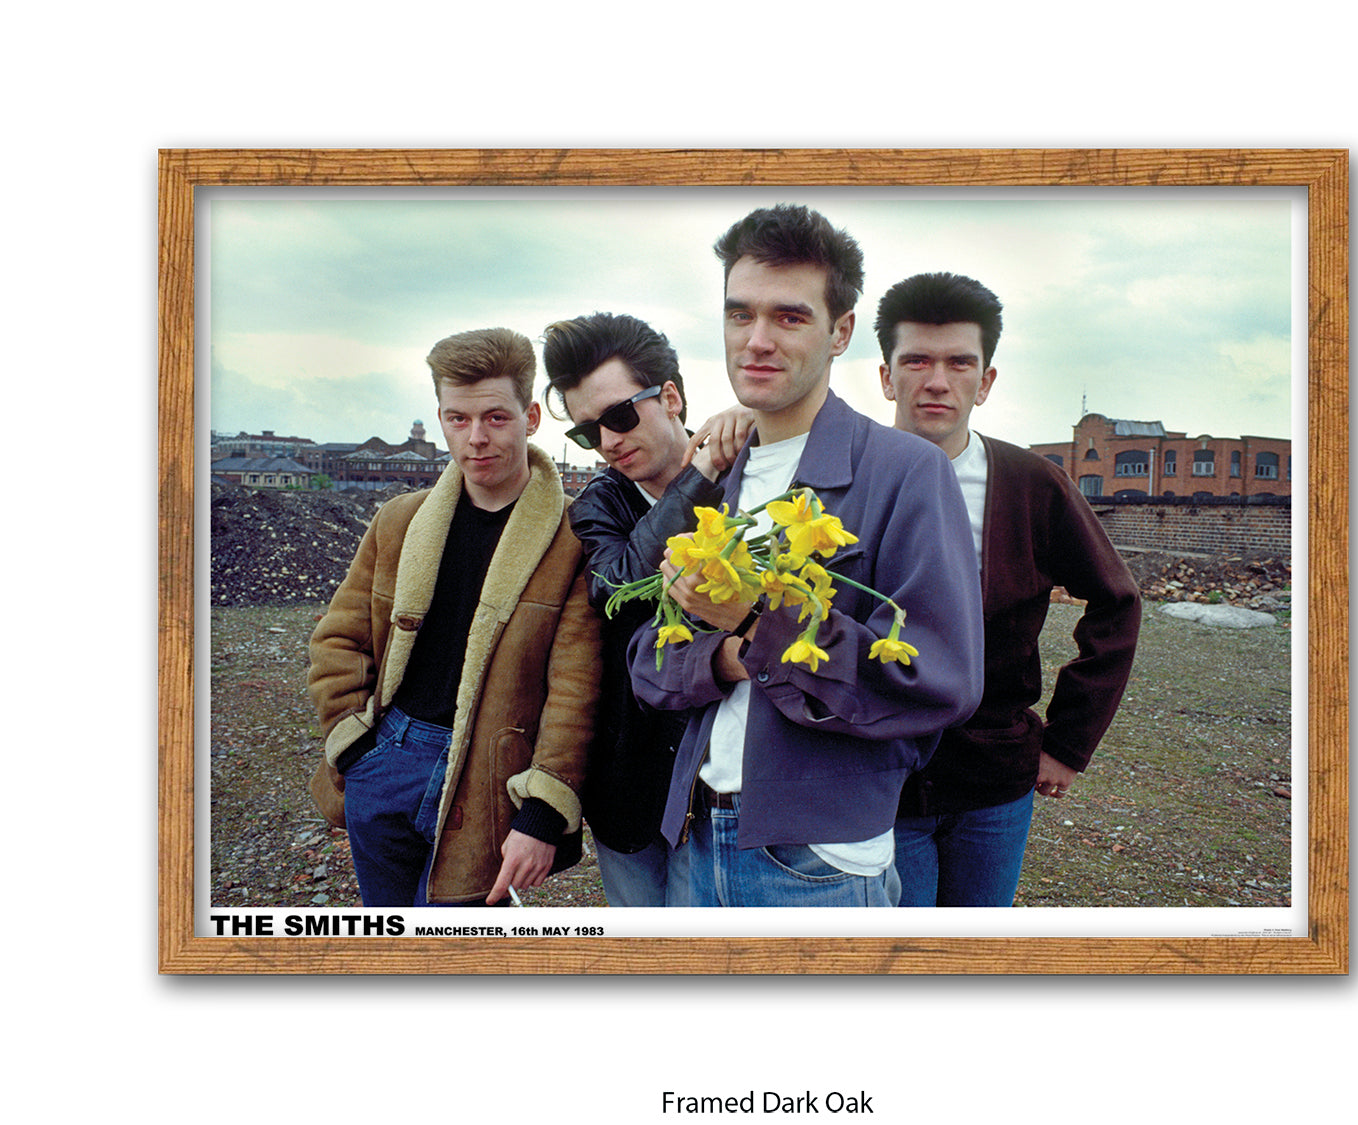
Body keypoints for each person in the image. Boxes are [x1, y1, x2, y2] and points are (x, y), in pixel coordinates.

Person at [627, 204, 985, 907]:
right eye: (739, 314)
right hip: (696, 838)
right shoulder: (717, 478)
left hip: (818, 858)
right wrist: (729, 656)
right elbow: (647, 660)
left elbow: (943, 679)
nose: (756, 340)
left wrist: (756, 622)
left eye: (789, 317)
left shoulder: (906, 471)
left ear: (840, 332)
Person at [874, 271, 1142, 907]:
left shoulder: (1031, 484)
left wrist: (1068, 743)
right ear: (886, 376)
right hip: (878, 782)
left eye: (959, 363)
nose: (937, 381)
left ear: (986, 381)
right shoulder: (848, 476)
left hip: (994, 782)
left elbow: (1117, 603)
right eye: (916, 360)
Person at [307, 327, 598, 907]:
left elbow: (577, 687)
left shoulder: (574, 537)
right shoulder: (399, 521)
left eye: (495, 418)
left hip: (491, 775)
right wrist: (354, 744)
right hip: (385, 759)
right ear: (439, 418)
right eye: (457, 419)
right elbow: (338, 638)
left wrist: (543, 811)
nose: (476, 438)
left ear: (531, 418)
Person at [542, 311, 750, 906]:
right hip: (633, 779)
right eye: (588, 432)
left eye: (620, 416)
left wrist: (755, 422)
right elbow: (621, 588)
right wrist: (701, 473)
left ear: (672, 397)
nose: (608, 442)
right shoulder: (599, 504)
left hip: (729, 776)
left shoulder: (753, 469)